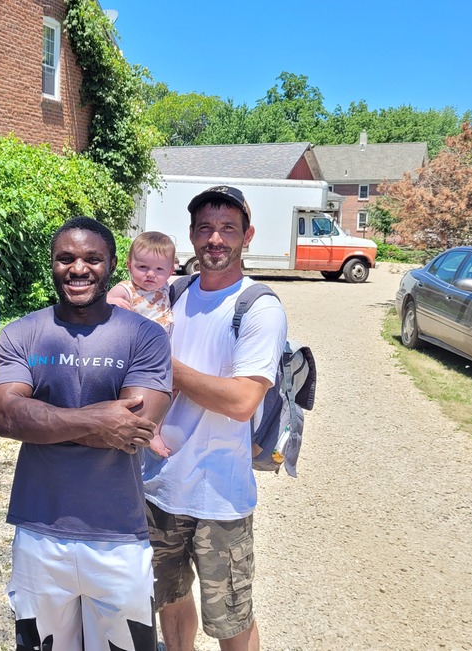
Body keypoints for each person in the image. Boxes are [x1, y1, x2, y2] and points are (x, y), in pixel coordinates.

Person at [0, 217, 173, 651]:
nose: (78, 268)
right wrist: (97, 421)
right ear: (52, 264)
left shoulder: (144, 336)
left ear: (111, 264)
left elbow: (133, 429)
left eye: (92, 258)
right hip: (39, 532)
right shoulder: (23, 333)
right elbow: (6, 418)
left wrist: (44, 422)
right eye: (65, 258)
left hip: (119, 538)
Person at [141, 185, 287, 651]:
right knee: (171, 599)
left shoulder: (258, 307)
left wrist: (168, 366)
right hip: (160, 487)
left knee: (231, 619)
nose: (215, 239)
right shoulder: (174, 293)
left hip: (220, 497)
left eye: (228, 228)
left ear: (248, 235)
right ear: (191, 235)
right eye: (205, 228)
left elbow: (243, 401)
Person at [108, 230, 178, 457]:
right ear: (129, 265)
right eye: (142, 267)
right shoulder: (127, 289)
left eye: (159, 269)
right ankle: (123, 431)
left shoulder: (166, 289)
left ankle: (154, 432)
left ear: (170, 271)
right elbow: (104, 300)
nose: (150, 274)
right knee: (131, 395)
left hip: (159, 357)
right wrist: (112, 301)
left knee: (164, 393)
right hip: (133, 355)